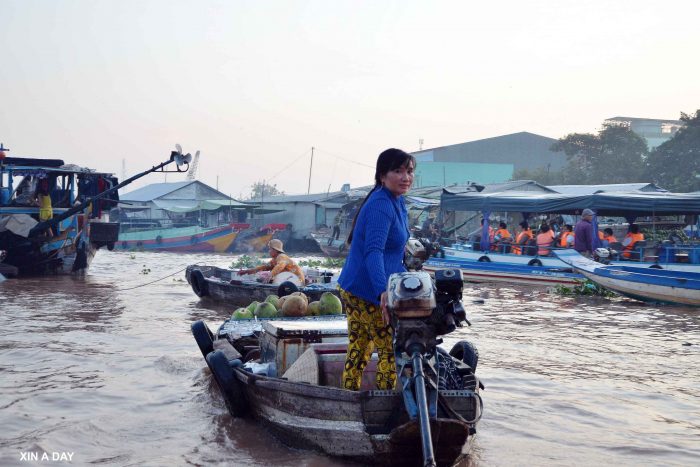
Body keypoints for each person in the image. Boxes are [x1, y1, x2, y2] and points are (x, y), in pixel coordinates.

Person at [337, 148, 414, 391]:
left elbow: (395, 245)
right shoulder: (381, 204)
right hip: (367, 291)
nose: (405, 177)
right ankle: (384, 408)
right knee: (389, 352)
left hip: (354, 286)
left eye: (409, 171)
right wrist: (383, 290)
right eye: (398, 171)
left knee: (360, 347)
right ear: (382, 175)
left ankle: (348, 399)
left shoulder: (396, 200)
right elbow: (373, 251)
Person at [237, 239, 305, 286]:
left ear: (275, 250)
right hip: (289, 280)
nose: (268, 251)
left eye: (270, 249)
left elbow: (280, 266)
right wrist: (246, 271)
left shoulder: (281, 256)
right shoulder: (274, 260)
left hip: (297, 282)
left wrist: (270, 275)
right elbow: (263, 267)